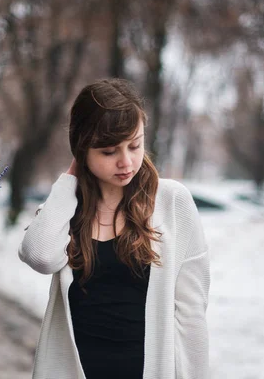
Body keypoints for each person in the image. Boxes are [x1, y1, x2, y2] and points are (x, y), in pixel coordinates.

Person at [19, 78, 210, 379]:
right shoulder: (67, 210)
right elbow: (40, 256)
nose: (126, 162)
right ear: (83, 151)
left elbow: (191, 315)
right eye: (109, 152)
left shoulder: (173, 202)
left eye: (135, 145)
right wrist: (70, 179)